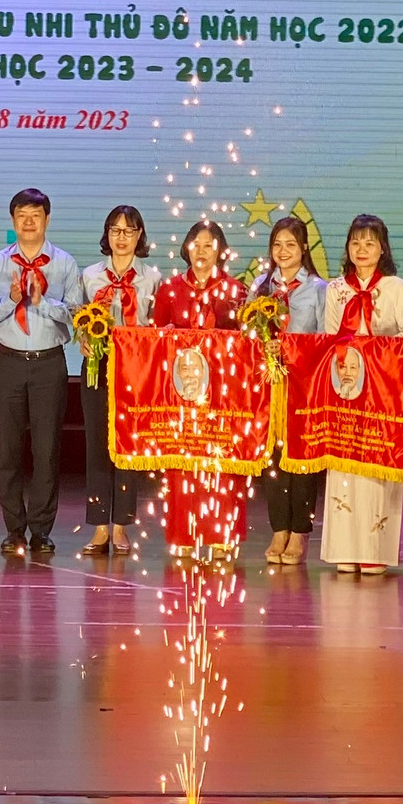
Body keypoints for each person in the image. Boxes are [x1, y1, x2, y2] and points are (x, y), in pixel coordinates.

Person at [0, 189, 79, 556]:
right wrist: (11, 299)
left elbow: (76, 315)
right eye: (21, 215)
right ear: (13, 220)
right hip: (7, 362)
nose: (28, 222)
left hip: (48, 363)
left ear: (47, 220)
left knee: (46, 451)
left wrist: (43, 302)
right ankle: (14, 530)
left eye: (35, 215)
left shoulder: (64, 263)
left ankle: (41, 530)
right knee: (7, 451)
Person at [319, 214, 403, 575]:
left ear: (382, 249)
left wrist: (372, 355)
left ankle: (375, 549)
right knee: (345, 469)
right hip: (345, 390)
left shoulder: (395, 287)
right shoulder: (335, 289)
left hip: (383, 394)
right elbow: (330, 339)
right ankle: (345, 548)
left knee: (377, 468)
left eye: (370, 243)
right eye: (355, 242)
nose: (362, 249)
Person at [152, 219, 248, 561]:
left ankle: (222, 537)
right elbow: (156, 342)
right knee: (182, 464)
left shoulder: (236, 291)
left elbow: (246, 346)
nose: (202, 251)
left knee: (223, 463)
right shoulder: (169, 289)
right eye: (196, 245)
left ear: (220, 251)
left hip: (223, 398)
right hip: (182, 395)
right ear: (186, 249)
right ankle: (184, 535)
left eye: (209, 245)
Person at [77, 206, 158, 557]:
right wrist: (83, 337)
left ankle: (122, 526)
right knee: (97, 445)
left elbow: (156, 325)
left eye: (128, 230)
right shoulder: (90, 275)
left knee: (127, 446)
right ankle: (99, 526)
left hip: (135, 368)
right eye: (115, 230)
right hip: (97, 365)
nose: (121, 237)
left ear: (139, 235)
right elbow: (78, 316)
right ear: (106, 234)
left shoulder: (152, 278)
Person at [250, 216, 324, 566]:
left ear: (304, 248)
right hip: (269, 385)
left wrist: (292, 350)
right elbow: (247, 333)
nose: (283, 251)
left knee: (302, 458)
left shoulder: (319, 289)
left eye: (291, 244)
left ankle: (300, 532)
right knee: (273, 460)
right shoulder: (260, 286)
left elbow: (325, 338)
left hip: (305, 385)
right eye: (277, 244)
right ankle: (279, 528)